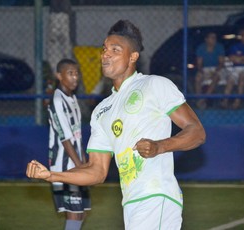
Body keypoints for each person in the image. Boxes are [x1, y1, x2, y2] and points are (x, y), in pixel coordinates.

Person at [27, 20, 206, 229]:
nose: (105, 54)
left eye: (115, 49)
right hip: (131, 204)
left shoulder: (154, 85)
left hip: (156, 196)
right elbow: (96, 171)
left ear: (133, 57)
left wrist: (160, 146)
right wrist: (51, 175)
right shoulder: (102, 110)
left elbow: (197, 132)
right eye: (104, 49)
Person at [47, 58, 91, 230]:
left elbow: (76, 136)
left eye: (76, 73)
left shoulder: (72, 98)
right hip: (65, 166)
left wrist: (86, 162)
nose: (75, 78)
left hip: (77, 162)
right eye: (70, 73)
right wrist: (81, 167)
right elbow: (65, 139)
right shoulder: (58, 101)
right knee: (74, 212)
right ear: (59, 75)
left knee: (81, 212)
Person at [194, 32, 227, 109]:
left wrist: (215, 71)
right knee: (198, 77)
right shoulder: (201, 48)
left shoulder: (219, 47)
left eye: (215, 37)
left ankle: (204, 99)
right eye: (212, 37)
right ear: (206, 39)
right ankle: (198, 98)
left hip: (218, 68)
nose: (214, 39)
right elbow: (199, 64)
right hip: (206, 69)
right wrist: (201, 72)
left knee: (215, 77)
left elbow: (221, 63)